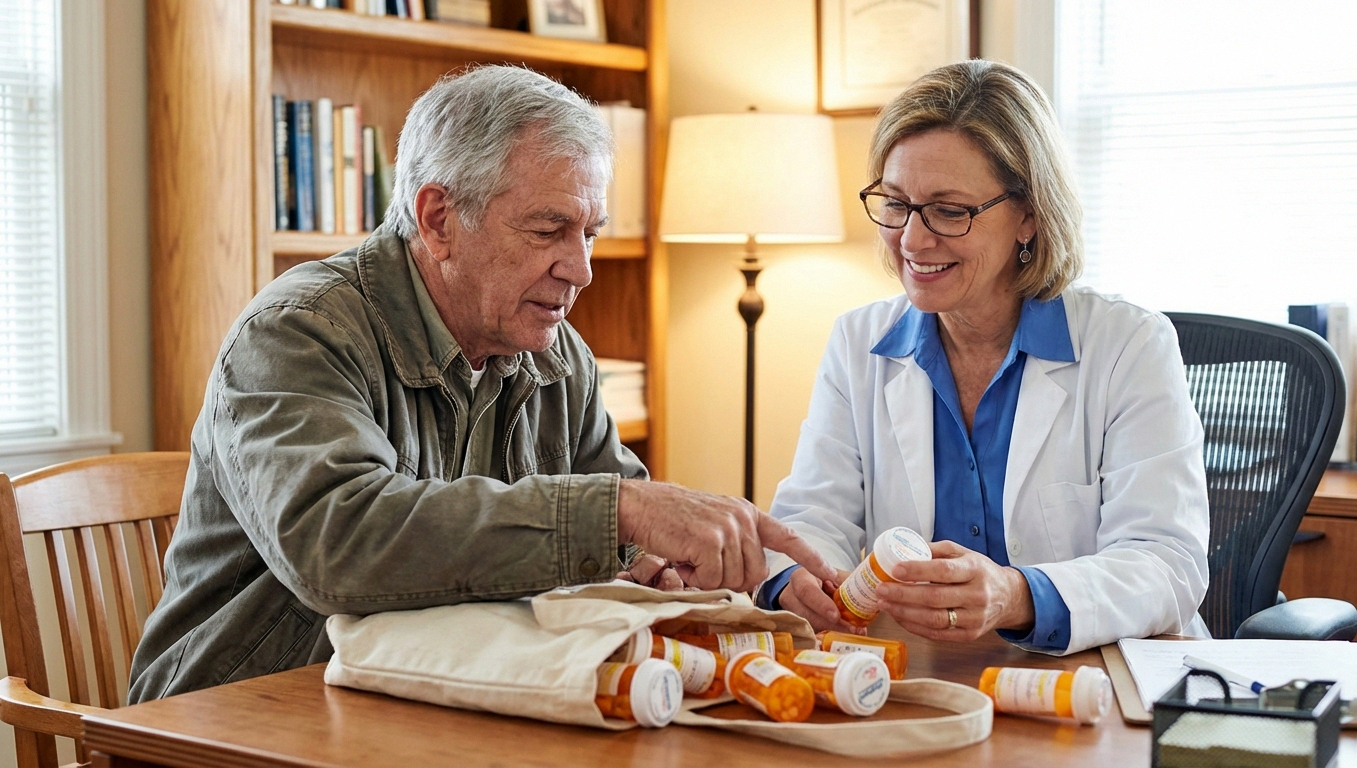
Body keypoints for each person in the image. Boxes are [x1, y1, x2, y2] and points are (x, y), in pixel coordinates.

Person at [129, 65, 833, 702]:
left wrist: (659, 566)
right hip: (235, 715)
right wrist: (619, 516)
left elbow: (623, 534)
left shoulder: (560, 358)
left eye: (590, 232)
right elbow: (338, 545)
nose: (581, 268)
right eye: (550, 228)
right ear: (439, 219)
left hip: (423, 706)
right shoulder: (295, 331)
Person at [757, 59, 1209, 655]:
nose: (914, 241)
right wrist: (795, 578)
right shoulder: (857, 341)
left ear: (1028, 214)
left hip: (1096, 680)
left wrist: (1015, 595)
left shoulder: (1128, 344)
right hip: (917, 678)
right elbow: (816, 515)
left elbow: (1166, 562)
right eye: (896, 204)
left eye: (950, 211)